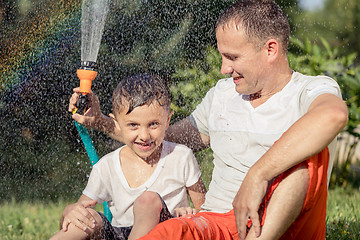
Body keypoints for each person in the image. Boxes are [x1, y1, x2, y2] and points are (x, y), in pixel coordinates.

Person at [69, 1, 348, 239]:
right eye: (222, 57)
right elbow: (161, 140)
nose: (225, 68)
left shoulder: (307, 90)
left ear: (271, 49)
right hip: (213, 224)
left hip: (277, 225)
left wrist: (257, 174)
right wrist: (101, 122)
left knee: (309, 158)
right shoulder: (223, 94)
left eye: (232, 57)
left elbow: (332, 116)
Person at [52, 73, 206, 240]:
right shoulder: (106, 167)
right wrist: (70, 212)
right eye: (133, 125)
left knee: (148, 201)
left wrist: (189, 215)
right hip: (121, 234)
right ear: (116, 123)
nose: (144, 135)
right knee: (86, 217)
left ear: (168, 120)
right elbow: (75, 215)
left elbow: (206, 214)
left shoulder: (181, 157)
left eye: (153, 124)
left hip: (166, 232)